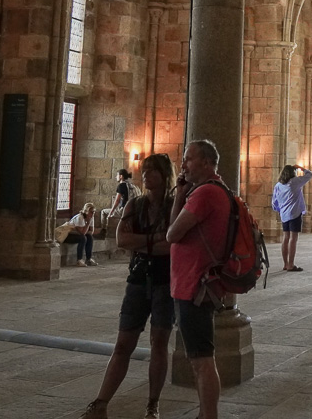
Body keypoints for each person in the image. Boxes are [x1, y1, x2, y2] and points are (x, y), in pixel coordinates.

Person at [81, 154, 176, 419]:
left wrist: (145, 242)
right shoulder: (135, 205)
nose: (145, 176)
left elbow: (175, 244)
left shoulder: (174, 206)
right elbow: (122, 239)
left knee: (159, 342)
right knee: (123, 343)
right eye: (144, 171)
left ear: (164, 174)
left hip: (165, 280)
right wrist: (155, 240)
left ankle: (152, 405)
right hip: (139, 278)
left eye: (151, 171)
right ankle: (100, 403)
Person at [167, 140, 231, 419]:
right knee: (200, 357)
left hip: (194, 285)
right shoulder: (217, 190)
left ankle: (208, 416)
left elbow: (171, 234)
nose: (183, 165)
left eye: (188, 159)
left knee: (202, 360)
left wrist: (184, 197)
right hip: (198, 283)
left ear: (206, 162)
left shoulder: (205, 194)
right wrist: (181, 195)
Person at [272, 164, 312, 272]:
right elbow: (310, 174)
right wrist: (301, 167)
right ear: (292, 173)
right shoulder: (294, 182)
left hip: (284, 214)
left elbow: (274, 201)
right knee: (293, 239)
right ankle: (291, 264)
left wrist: (279, 209)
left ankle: (285, 264)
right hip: (294, 213)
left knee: (285, 237)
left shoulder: (278, 185)